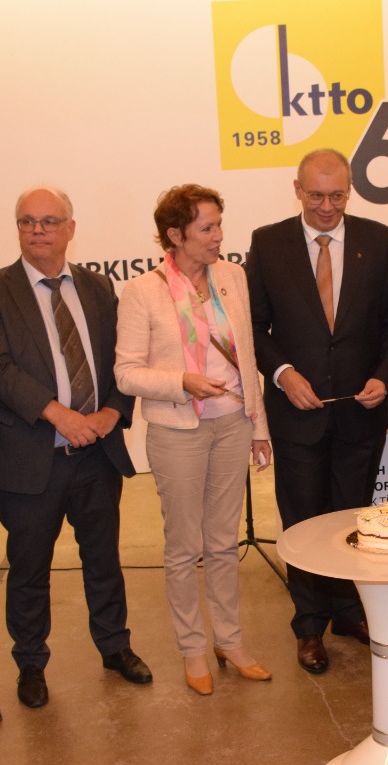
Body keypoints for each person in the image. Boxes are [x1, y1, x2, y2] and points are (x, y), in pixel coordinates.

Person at [0, 186, 151, 707]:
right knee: (29, 568)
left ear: (70, 228)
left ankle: (115, 647)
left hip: (96, 453)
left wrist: (112, 413)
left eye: (49, 221)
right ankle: (30, 663)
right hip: (30, 459)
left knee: (104, 558)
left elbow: (122, 359)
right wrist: (61, 416)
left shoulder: (97, 286)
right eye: (27, 221)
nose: (38, 230)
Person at [245, 148, 388, 674]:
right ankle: (309, 625)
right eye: (316, 195)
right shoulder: (268, 243)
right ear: (297, 189)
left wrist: (385, 375)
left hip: (360, 413)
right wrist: (284, 373)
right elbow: (254, 327)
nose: (327, 206)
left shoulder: (376, 239)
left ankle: (347, 611)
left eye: (338, 195)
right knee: (304, 521)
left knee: (352, 516)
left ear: (350, 190)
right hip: (297, 414)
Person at [114, 185, 272, 694]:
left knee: (223, 543)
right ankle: (192, 649)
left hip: (233, 424)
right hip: (177, 430)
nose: (218, 236)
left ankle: (230, 641)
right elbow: (126, 373)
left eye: (219, 224)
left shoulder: (232, 277)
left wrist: (258, 426)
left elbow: (248, 358)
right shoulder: (143, 291)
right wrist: (182, 381)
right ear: (176, 235)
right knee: (184, 547)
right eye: (207, 228)